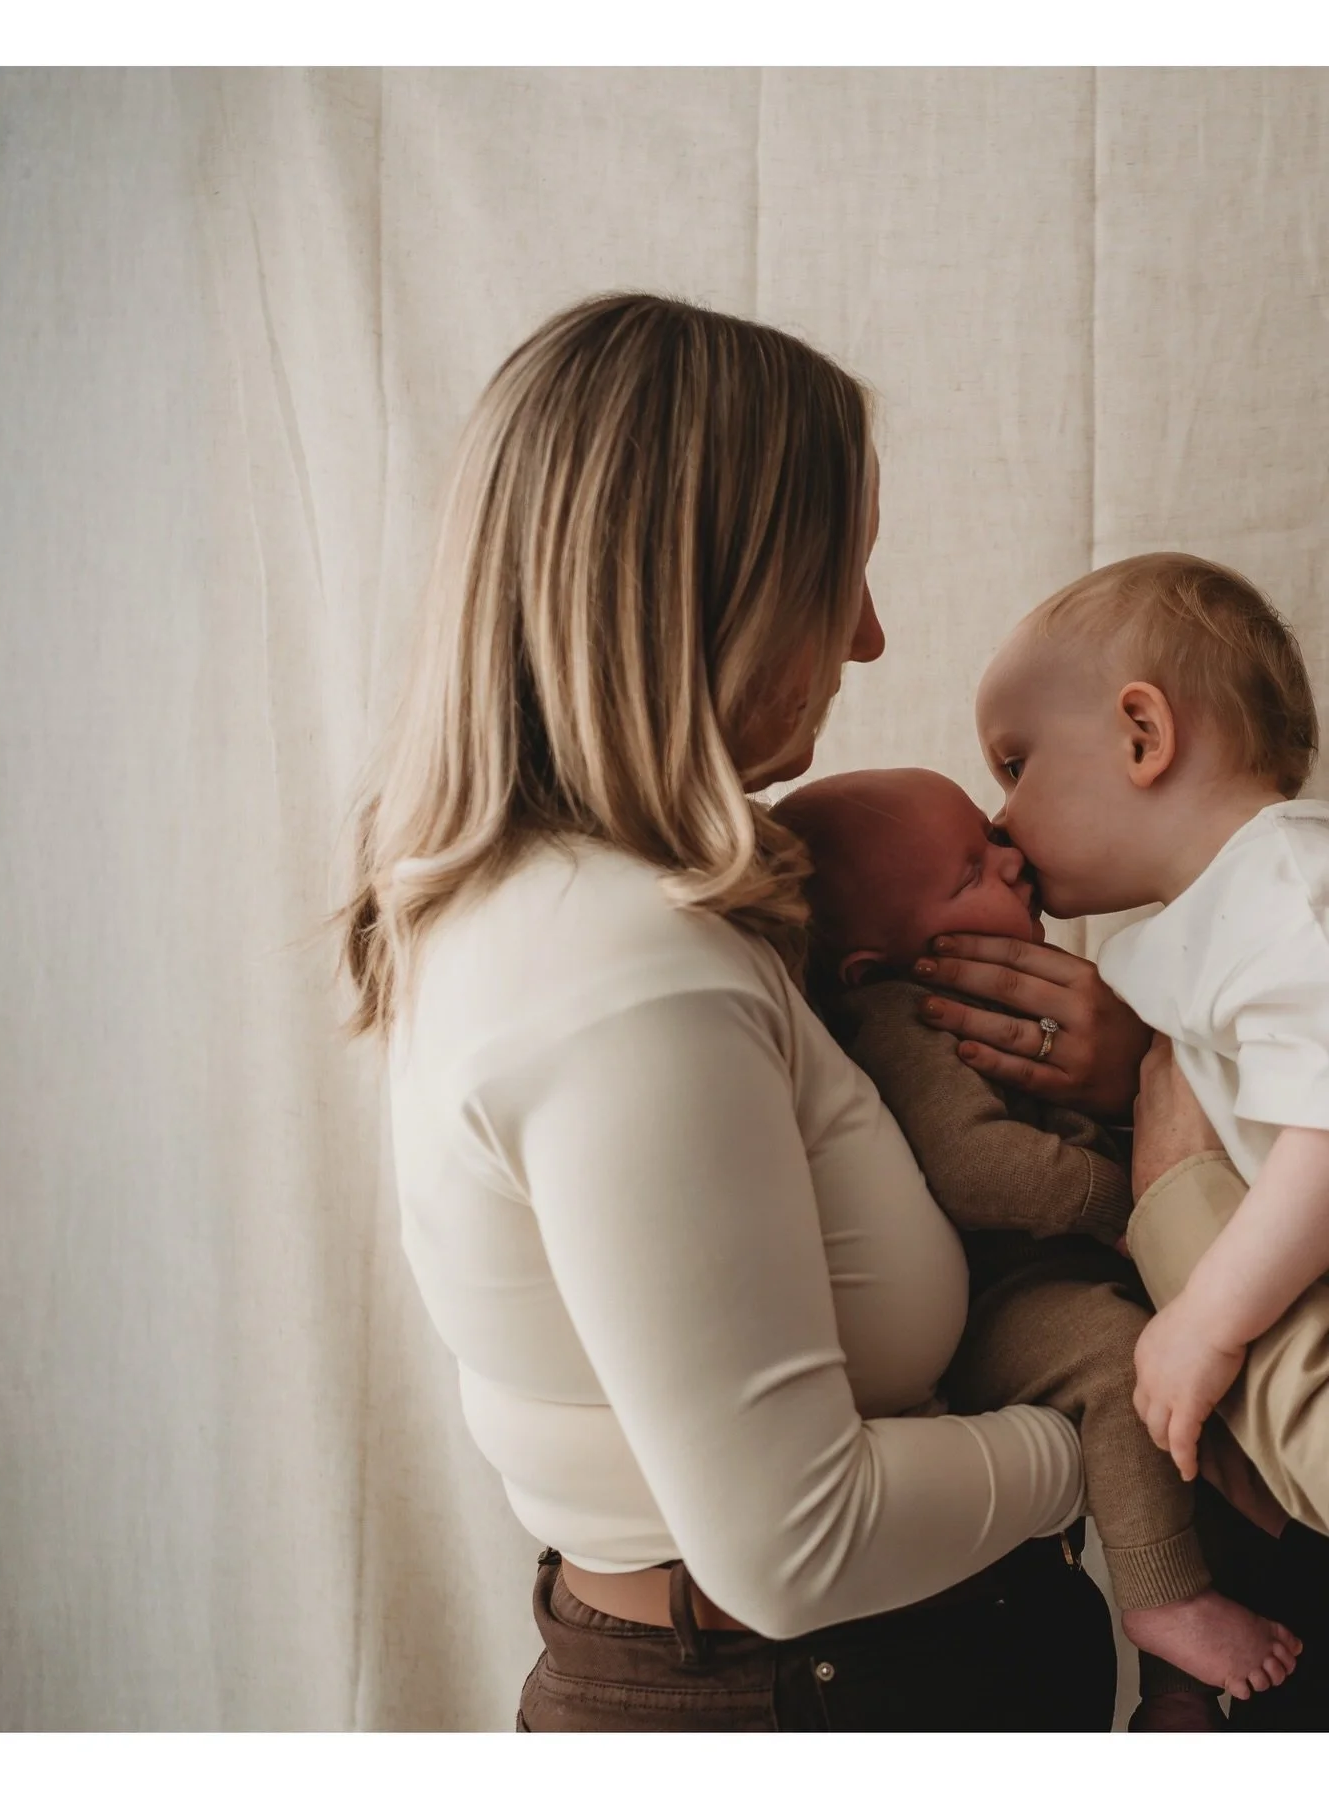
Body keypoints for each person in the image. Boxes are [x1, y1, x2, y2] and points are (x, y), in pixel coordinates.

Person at [340, 291, 1191, 1730]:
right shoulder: (622, 971)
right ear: (705, 585)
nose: (867, 639)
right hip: (814, 1691)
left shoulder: (592, 914)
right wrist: (1115, 1423)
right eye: (839, 574)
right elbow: (802, 1543)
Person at [770, 766, 1298, 1726]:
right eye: (973, 868)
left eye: (994, 835)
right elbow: (977, 1170)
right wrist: (1127, 1202)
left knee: (1183, 1390)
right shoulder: (902, 1019)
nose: (1017, 862)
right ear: (873, 964)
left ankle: (1186, 1684)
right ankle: (1162, 1603)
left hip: (1074, 1272)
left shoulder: (1049, 987)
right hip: (1008, 1302)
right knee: (1113, 1359)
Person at [973, 552, 1329, 1523]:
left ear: (1142, 733)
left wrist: (1210, 1323)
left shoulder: (1288, 884)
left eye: (1014, 763)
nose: (1000, 821)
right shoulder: (1211, 921)